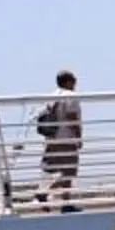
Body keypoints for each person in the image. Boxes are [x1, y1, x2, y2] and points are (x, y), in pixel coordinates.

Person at [35, 69, 83, 205]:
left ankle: (64, 201)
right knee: (69, 172)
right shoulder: (70, 96)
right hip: (66, 138)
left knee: (60, 171)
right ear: (68, 82)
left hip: (52, 138)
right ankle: (48, 194)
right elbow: (71, 117)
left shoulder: (51, 97)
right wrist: (78, 137)